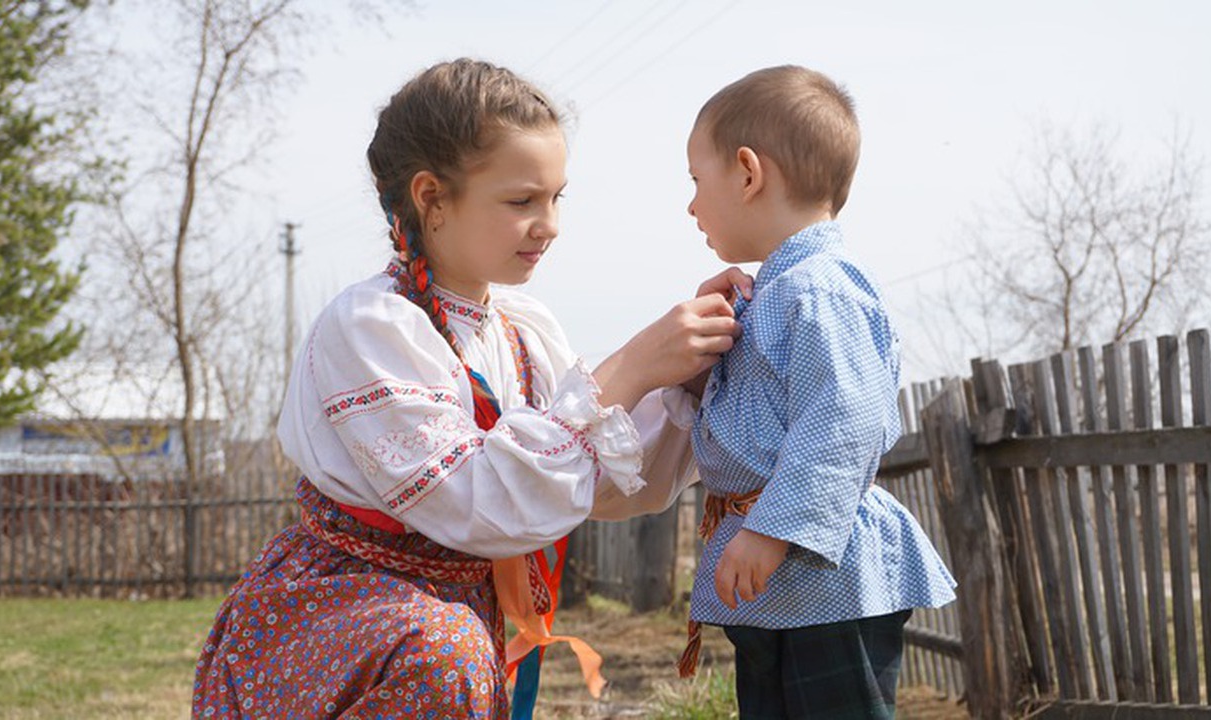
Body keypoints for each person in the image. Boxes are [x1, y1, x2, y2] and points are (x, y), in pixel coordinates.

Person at [192, 58, 745, 719]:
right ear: (432, 198)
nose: (550, 225)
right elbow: (477, 501)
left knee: (450, 651)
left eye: (556, 198)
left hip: (443, 617)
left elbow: (594, 482)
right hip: (344, 612)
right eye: (521, 201)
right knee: (446, 654)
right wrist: (625, 371)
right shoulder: (372, 327)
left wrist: (680, 379)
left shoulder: (522, 331)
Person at [678, 65, 958, 720]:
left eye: (696, 181)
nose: (691, 205)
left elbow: (844, 419)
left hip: (822, 576)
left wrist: (773, 530)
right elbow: (760, 413)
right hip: (784, 580)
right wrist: (707, 348)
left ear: (748, 173)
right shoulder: (774, 293)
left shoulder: (820, 287)